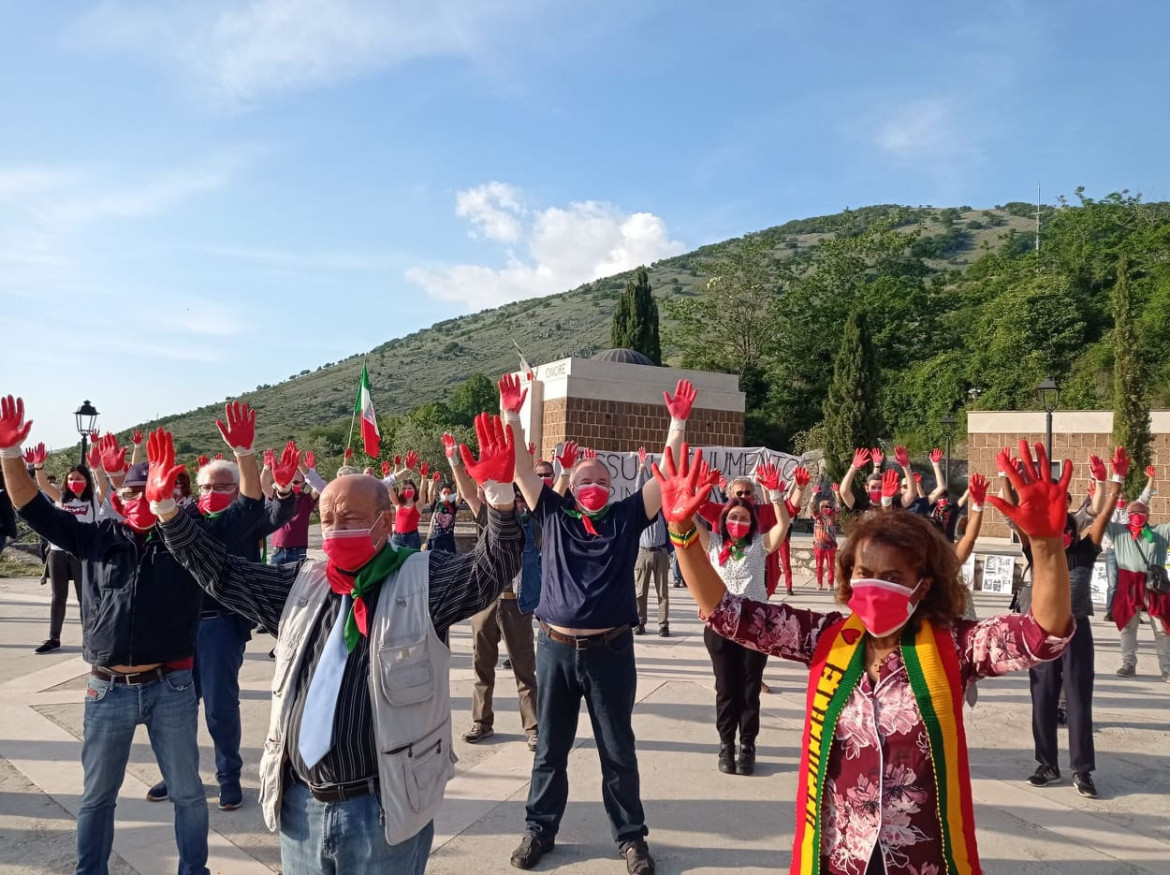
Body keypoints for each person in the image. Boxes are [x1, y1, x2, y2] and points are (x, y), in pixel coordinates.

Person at [658, 440, 1074, 875]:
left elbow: (1041, 636)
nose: (875, 586)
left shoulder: (956, 645)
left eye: (892, 577)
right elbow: (728, 615)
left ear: (923, 585)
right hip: (838, 855)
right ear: (847, 575)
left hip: (922, 857)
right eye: (864, 573)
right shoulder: (824, 638)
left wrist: (1046, 548)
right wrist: (683, 532)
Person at [146, 414, 521, 874]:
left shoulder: (423, 580)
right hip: (300, 809)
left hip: (384, 810)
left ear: (385, 523)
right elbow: (223, 574)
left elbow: (489, 571)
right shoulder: (302, 585)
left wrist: (500, 500)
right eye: (328, 518)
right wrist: (167, 514)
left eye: (352, 518)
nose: (336, 527)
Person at [0, 400, 209, 875]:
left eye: (147, 492)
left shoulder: (187, 543)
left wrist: (174, 510)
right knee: (96, 796)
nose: (139, 500)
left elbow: (237, 520)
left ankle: (195, 871)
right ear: (118, 497)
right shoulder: (95, 538)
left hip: (171, 687)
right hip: (106, 687)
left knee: (188, 793)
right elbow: (29, 505)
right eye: (130, 492)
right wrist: (11, 453)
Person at [504, 373, 695, 875]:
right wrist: (511, 415)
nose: (591, 487)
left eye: (599, 481)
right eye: (582, 480)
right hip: (555, 649)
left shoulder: (627, 516)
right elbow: (522, 468)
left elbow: (665, 476)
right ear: (570, 486)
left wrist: (676, 423)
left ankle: (631, 839)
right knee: (549, 749)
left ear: (612, 488)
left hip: (610, 653)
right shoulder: (552, 513)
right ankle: (538, 830)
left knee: (618, 750)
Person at [145, 404, 297, 811]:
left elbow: (273, 510)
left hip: (219, 626)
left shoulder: (241, 520)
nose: (213, 493)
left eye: (222, 487)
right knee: (174, 707)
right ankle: (175, 773)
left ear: (235, 489)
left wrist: (276, 486)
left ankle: (228, 776)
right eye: (207, 486)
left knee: (219, 706)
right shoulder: (184, 517)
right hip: (177, 627)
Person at [1015, 449, 1123, 799]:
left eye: (1065, 528)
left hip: (1076, 630)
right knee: (1042, 698)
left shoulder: (1084, 550)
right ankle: (1047, 763)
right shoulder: (1039, 551)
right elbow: (1023, 521)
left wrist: (1115, 482)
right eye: (1054, 529)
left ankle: (1083, 770)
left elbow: (1103, 515)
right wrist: (1014, 484)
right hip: (1042, 633)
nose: (1060, 534)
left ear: (1072, 531)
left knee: (1078, 700)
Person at [694, 462, 791, 776]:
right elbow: (685, 518)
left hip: (755, 626)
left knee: (749, 689)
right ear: (724, 519)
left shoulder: (759, 546)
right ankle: (726, 744)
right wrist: (700, 489)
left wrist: (775, 494)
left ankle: (747, 745)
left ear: (752, 523)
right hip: (720, 626)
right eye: (733, 516)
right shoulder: (713, 543)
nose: (738, 521)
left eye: (744, 517)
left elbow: (782, 524)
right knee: (725, 687)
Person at [464, 484, 541, 751]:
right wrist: (455, 463)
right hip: (486, 603)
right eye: (512, 498)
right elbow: (468, 493)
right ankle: (481, 723)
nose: (516, 504)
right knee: (481, 665)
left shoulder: (532, 526)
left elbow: (544, 498)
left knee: (524, 670)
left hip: (515, 605)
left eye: (519, 499)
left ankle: (533, 728)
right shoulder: (489, 520)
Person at [26, 443, 97, 654]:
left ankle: (90, 638)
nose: (75, 482)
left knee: (85, 596)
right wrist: (38, 467)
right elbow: (43, 486)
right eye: (72, 478)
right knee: (58, 596)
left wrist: (97, 468)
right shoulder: (62, 498)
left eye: (79, 478)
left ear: (87, 481)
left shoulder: (93, 500)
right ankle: (53, 638)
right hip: (57, 552)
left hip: (81, 553)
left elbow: (103, 486)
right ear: (66, 481)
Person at [1106, 469, 1170, 680]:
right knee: (1128, 626)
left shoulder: (1160, 532)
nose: (1136, 516)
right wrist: (1108, 488)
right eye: (1132, 513)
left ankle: (1167, 667)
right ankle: (1128, 664)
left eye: (1141, 513)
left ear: (1148, 516)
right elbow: (1101, 518)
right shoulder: (1119, 531)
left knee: (1161, 629)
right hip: (1129, 584)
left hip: (1155, 585)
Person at [634, 450, 671, 637]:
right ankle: (640, 622)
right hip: (644, 552)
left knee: (662, 591)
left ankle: (663, 624)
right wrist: (642, 468)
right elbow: (638, 490)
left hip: (662, 552)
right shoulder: (641, 510)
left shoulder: (664, 510)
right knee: (641, 591)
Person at [270, 454, 321, 566]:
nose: (293, 485)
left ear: (304, 483)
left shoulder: (306, 500)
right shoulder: (277, 499)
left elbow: (318, 488)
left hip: (298, 551)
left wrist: (311, 471)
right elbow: (264, 487)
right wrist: (268, 468)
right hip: (277, 550)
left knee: (296, 583)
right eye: (290, 482)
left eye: (296, 482)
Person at [811, 496, 840, 591]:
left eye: (828, 506)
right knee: (819, 565)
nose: (825, 508)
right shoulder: (817, 516)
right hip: (819, 545)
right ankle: (819, 583)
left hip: (831, 545)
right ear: (820, 508)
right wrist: (814, 495)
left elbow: (838, 507)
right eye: (823, 506)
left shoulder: (833, 517)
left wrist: (837, 494)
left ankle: (830, 584)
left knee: (831, 566)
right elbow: (811, 506)